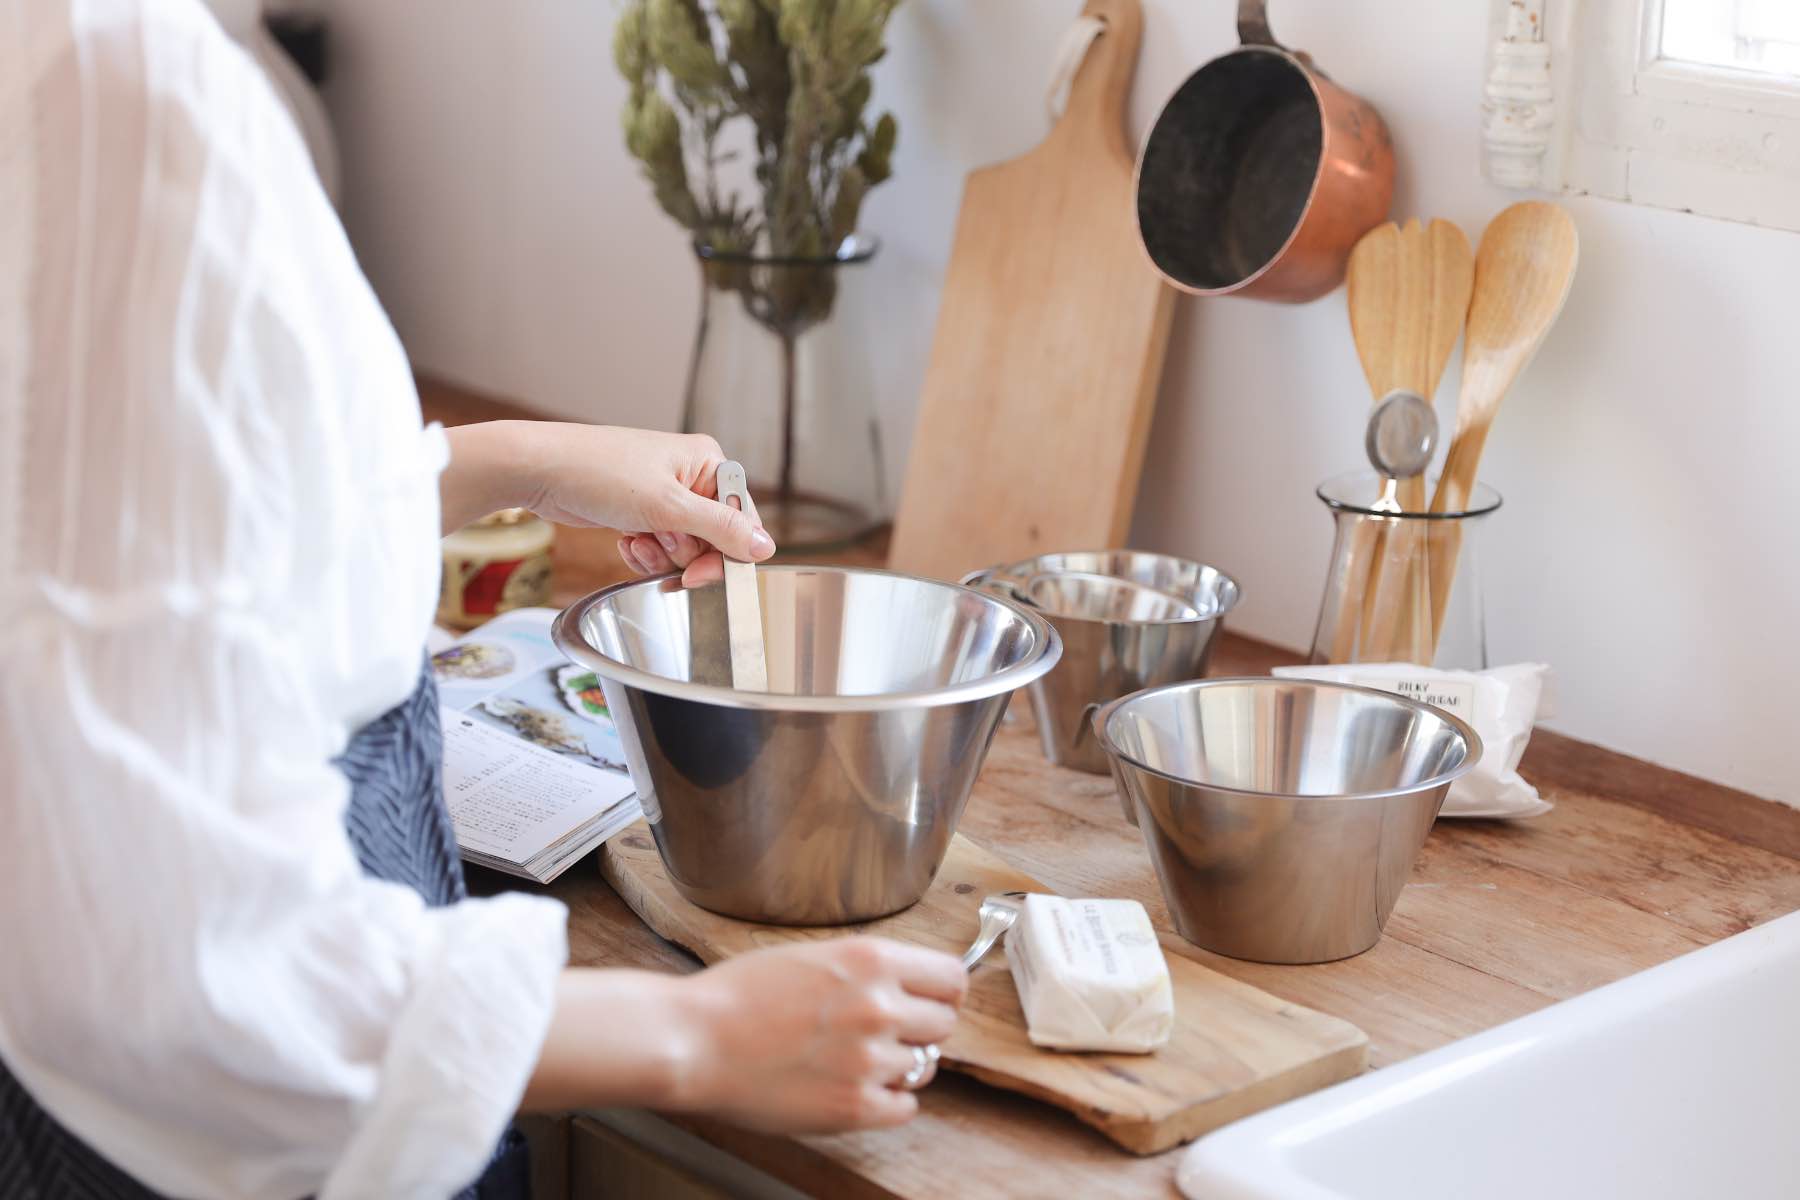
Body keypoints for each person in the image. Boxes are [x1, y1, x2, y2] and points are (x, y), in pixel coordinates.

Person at [0, 3, 966, 1198]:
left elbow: (118, 518)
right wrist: (699, 1037)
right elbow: (195, 981)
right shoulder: (111, 86)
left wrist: (507, 463)